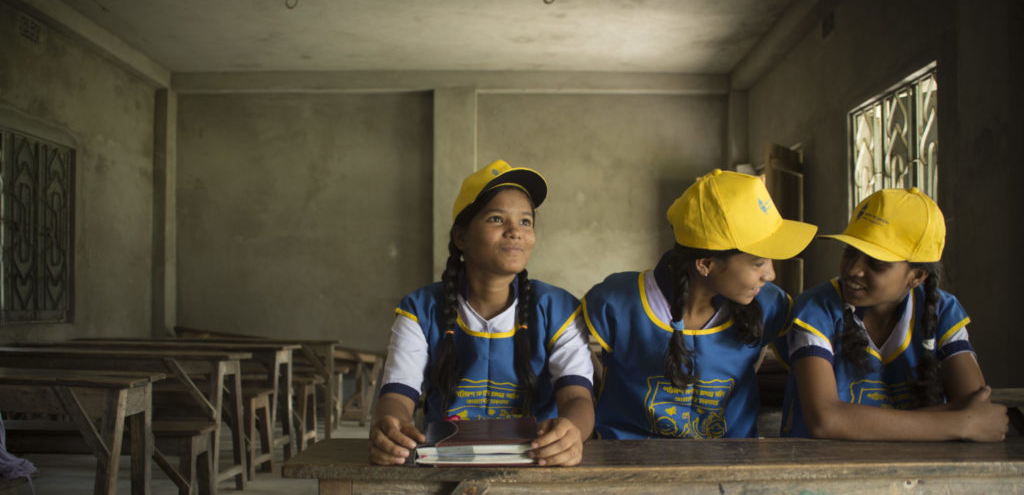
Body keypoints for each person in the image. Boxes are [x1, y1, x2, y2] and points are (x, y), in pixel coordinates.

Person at [369, 159, 595, 466]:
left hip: (538, 462)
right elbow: (397, 396)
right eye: (497, 219)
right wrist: (390, 426)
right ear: (461, 237)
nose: (515, 231)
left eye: (526, 222)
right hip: (445, 462)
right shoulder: (419, 309)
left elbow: (578, 398)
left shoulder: (558, 308)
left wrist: (573, 432)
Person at [582, 168, 817, 439]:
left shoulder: (770, 303)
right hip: (628, 465)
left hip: (733, 464)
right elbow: (571, 355)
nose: (770, 274)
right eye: (758, 263)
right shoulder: (618, 301)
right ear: (706, 264)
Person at [779, 188, 1008, 441]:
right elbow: (825, 421)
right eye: (850, 252)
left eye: (876, 263)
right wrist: (959, 424)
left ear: (917, 276)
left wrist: (852, 420)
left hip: (918, 474)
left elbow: (977, 406)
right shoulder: (816, 309)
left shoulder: (944, 311)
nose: (854, 269)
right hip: (821, 472)